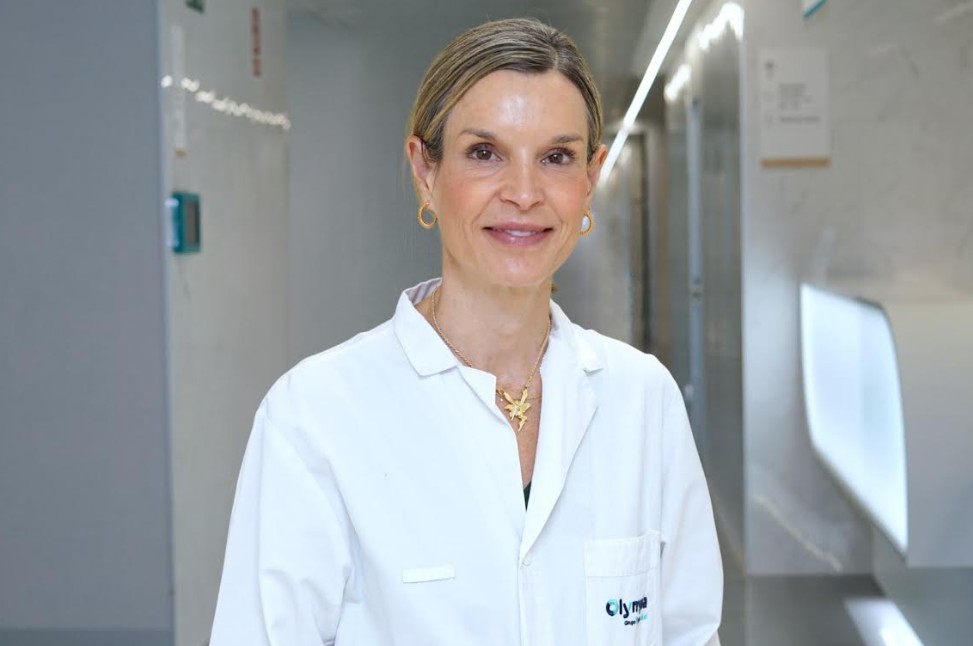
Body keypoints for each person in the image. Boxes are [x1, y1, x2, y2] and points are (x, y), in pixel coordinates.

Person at [210, 17, 722, 646]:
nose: (524, 193)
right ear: (425, 172)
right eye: (485, 153)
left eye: (556, 158)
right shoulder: (313, 417)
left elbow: (690, 633)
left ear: (590, 178)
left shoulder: (644, 400)